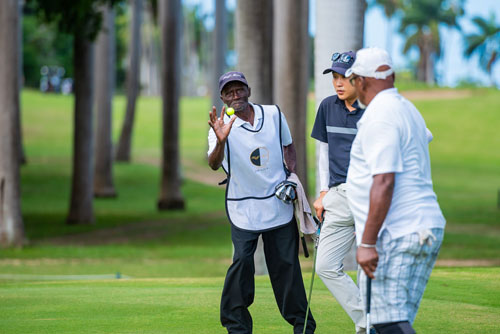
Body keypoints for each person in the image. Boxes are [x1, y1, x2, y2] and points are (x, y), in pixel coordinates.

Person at [345, 47, 446, 334]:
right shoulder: (406, 108)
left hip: (400, 231)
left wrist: (366, 243)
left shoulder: (380, 114)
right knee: (382, 323)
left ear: (362, 81)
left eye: (353, 81)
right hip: (416, 227)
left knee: (387, 322)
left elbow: (384, 180)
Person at [207, 71, 315, 334]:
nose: (236, 96)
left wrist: (290, 174)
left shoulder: (274, 114)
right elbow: (213, 163)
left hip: (277, 203)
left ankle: (303, 325)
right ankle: (236, 326)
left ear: (248, 90)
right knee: (242, 262)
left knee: (286, 267)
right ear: (222, 97)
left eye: (239, 89)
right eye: (229, 92)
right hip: (244, 206)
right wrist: (221, 141)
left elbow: (288, 146)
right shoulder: (221, 125)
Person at [310, 51, 370, 334]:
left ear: (358, 79)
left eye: (344, 76)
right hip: (337, 196)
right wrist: (323, 193)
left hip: (369, 196)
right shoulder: (327, 107)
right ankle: (368, 321)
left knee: (368, 265)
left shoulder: (374, 110)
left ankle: (369, 325)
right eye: (335, 76)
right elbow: (324, 153)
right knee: (325, 265)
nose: (338, 82)